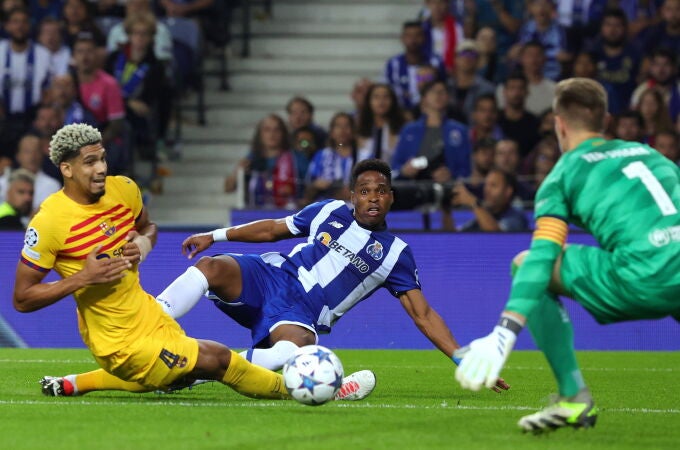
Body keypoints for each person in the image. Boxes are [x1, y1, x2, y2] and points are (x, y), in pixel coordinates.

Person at [154, 159, 509, 398]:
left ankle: (198, 368)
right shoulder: (328, 210)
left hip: (301, 315)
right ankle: (149, 326)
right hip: (270, 277)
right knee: (211, 268)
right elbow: (272, 230)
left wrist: (463, 357)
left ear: (391, 198)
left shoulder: (396, 254)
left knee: (291, 353)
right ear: (353, 196)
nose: (373, 197)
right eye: (365, 190)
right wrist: (214, 236)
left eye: (381, 190)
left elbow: (423, 314)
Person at [454, 78, 680, 432]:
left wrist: (504, 331)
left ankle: (574, 398)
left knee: (525, 262)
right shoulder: (651, 155)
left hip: (641, 278)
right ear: (604, 122)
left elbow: (544, 254)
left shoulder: (563, 175)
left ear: (559, 124)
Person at [15, 123, 290, 400]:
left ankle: (74, 384)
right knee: (218, 359)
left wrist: (143, 243)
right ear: (66, 169)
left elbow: (148, 227)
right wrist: (82, 278)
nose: (101, 168)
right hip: (114, 339)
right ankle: (302, 389)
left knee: (178, 377)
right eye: (90, 162)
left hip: (147, 314)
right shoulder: (49, 221)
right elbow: (23, 298)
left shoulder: (123, 189)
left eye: (102, 158)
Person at [444, 168, 528, 232]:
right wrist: (446, 210)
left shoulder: (516, 217)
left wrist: (472, 202)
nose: (487, 190)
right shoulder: (483, 216)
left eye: (493, 185)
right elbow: (456, 236)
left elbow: (497, 235)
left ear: (508, 191)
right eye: (486, 185)